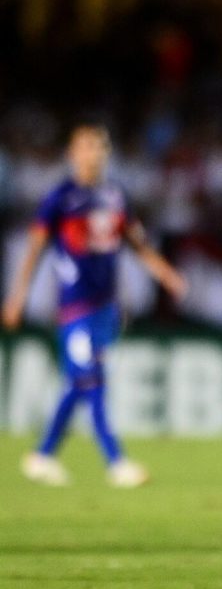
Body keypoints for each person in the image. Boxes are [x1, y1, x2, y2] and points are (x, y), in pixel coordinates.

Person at [4, 122, 186, 488]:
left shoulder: (115, 196)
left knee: (78, 382)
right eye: (87, 147)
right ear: (73, 154)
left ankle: (42, 454)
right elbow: (35, 249)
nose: (94, 154)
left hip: (106, 306)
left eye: (99, 147)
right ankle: (116, 461)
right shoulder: (60, 198)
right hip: (75, 306)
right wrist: (17, 296)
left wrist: (166, 274)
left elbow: (136, 243)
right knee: (92, 380)